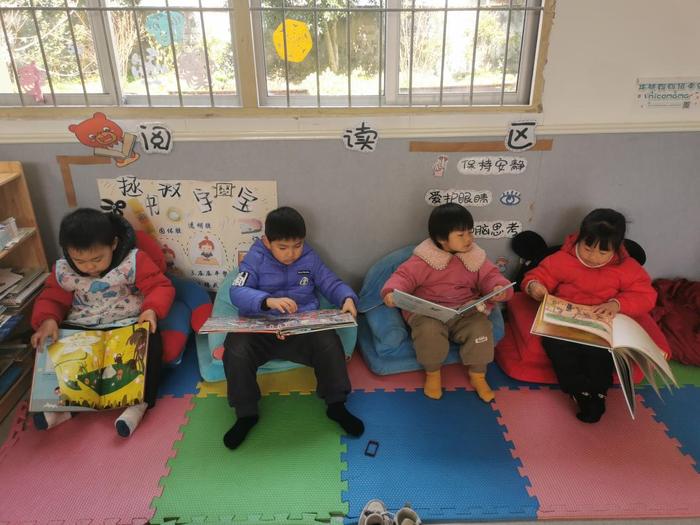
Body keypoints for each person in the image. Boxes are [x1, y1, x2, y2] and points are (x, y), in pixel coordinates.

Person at [223, 206, 364, 449]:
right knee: (236, 349)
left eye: (297, 245)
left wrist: (347, 297)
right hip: (261, 329)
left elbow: (330, 282)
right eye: (283, 247)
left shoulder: (310, 257)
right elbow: (237, 291)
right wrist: (267, 301)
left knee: (329, 342)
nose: (291, 254)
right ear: (267, 242)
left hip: (301, 329)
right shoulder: (254, 258)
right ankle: (246, 414)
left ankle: (336, 405)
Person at [30, 208, 175, 436]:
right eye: (79, 260)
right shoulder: (63, 270)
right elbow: (51, 298)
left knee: (151, 341)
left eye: (97, 259)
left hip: (126, 321)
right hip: (82, 324)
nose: (89, 267)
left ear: (114, 244)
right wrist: (48, 320)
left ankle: (139, 403)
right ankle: (65, 406)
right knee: (52, 345)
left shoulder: (133, 260)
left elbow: (159, 286)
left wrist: (151, 310)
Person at [521, 208, 657, 423]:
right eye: (587, 248)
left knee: (601, 354)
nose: (593, 257)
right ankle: (578, 390)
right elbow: (538, 275)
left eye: (603, 253)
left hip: (600, 322)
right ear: (580, 238)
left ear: (616, 249)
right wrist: (534, 287)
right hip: (565, 319)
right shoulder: (561, 259)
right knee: (558, 348)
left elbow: (645, 295)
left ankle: (598, 392)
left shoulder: (627, 267)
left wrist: (617, 304)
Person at [381, 203, 513, 403]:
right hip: (429, 312)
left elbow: (491, 276)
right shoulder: (423, 259)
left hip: (464, 310)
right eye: (461, 235)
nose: (468, 239)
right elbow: (403, 277)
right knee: (428, 332)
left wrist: (498, 289)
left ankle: (478, 375)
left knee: (481, 328)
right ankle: (433, 373)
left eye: (470, 232)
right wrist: (391, 293)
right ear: (442, 239)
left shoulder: (476, 256)